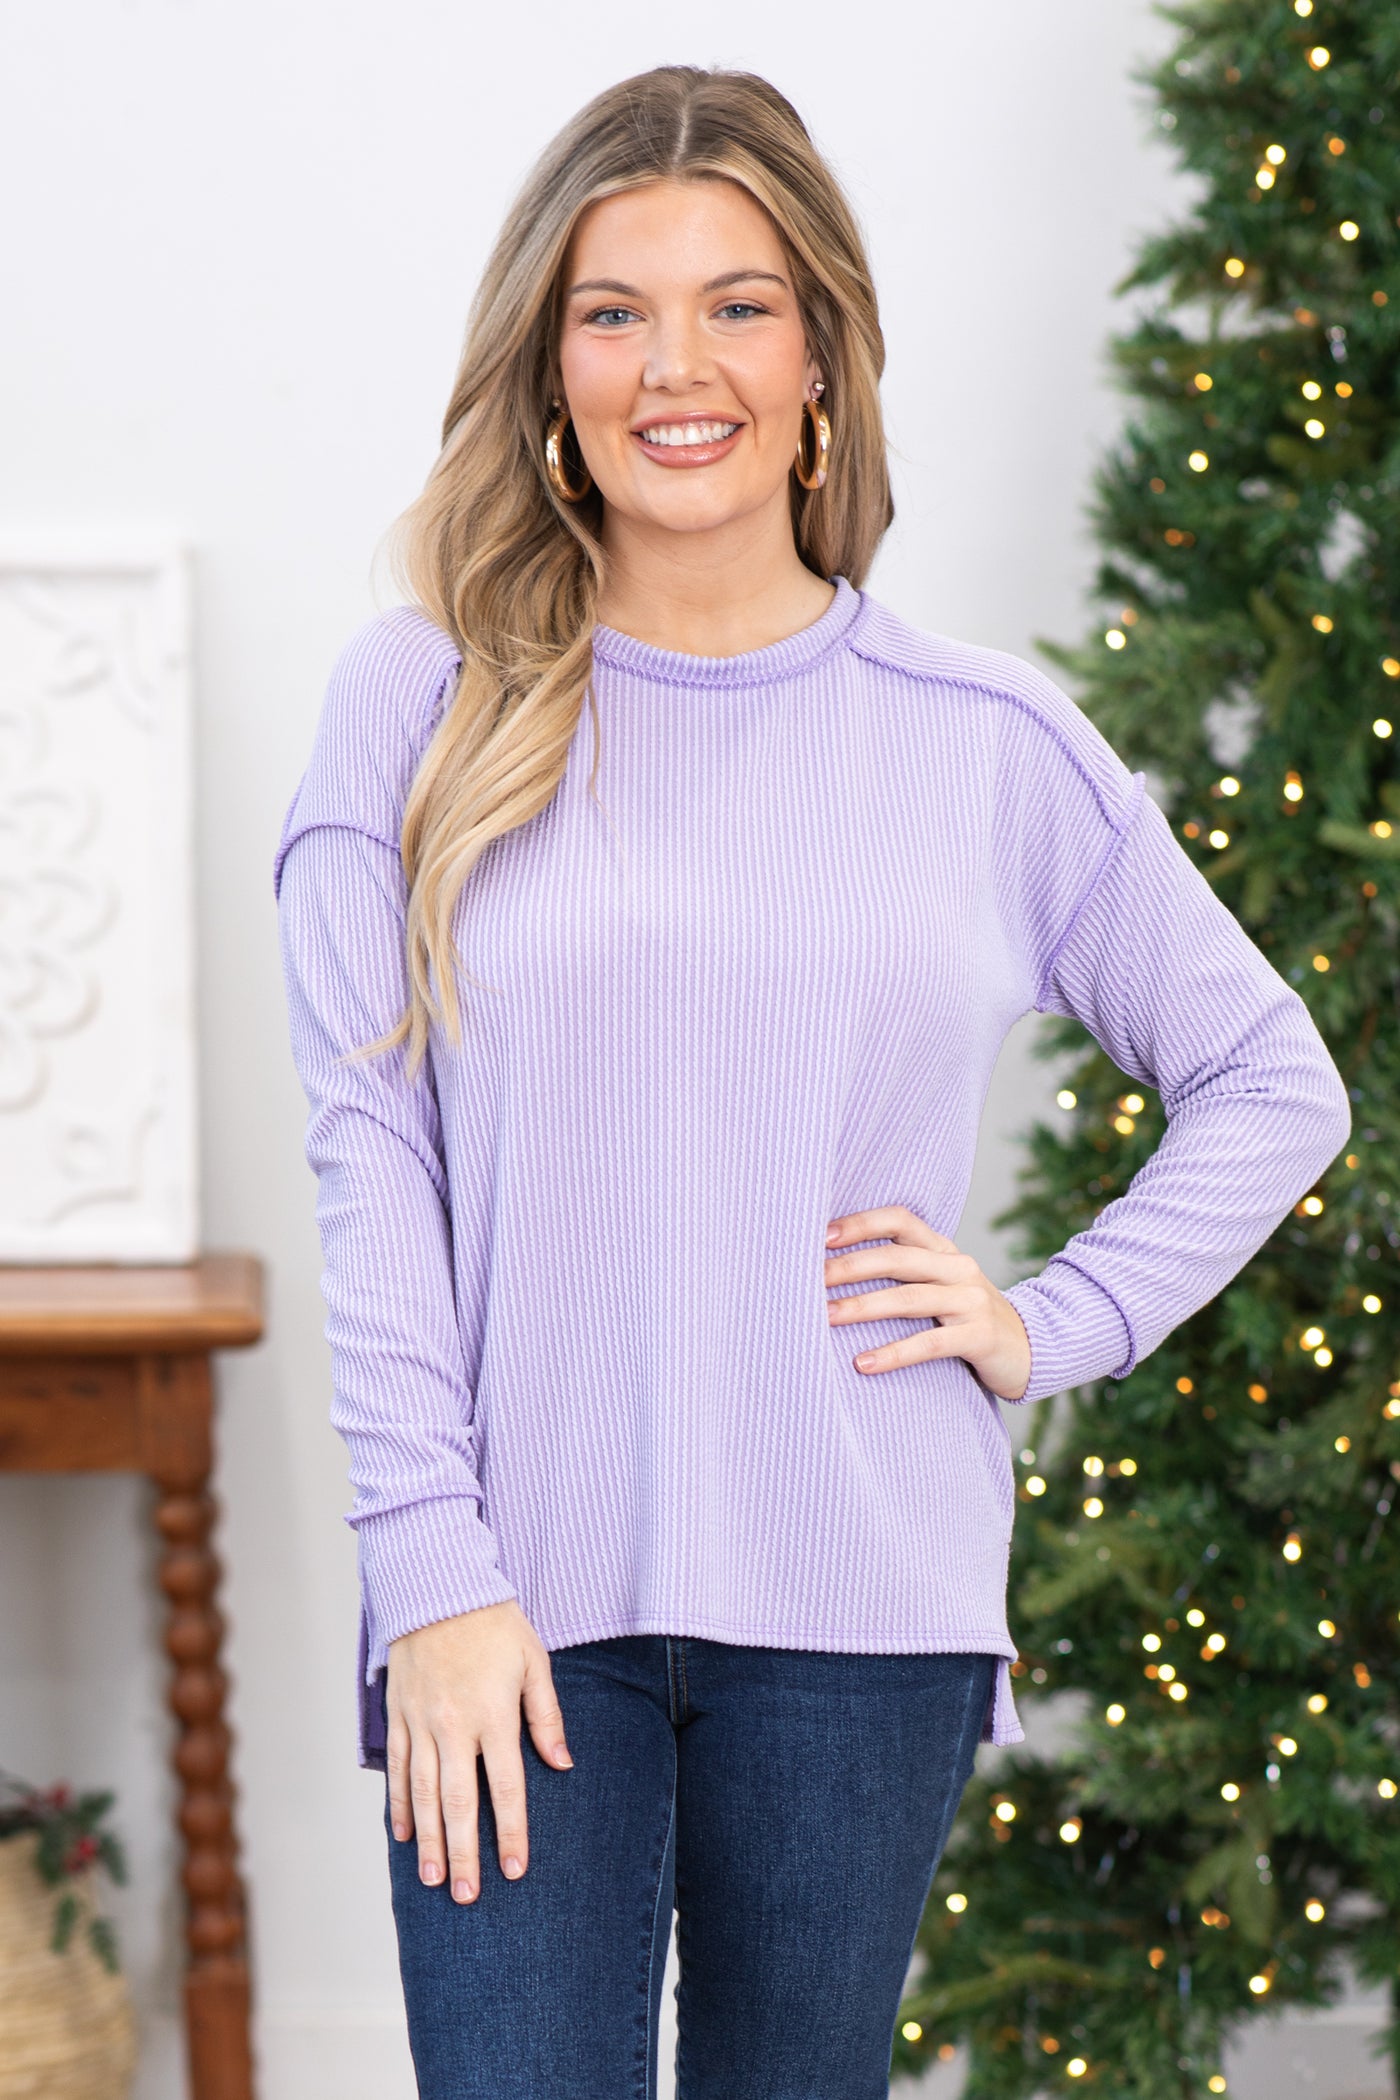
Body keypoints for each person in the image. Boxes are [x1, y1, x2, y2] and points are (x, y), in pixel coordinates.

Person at [273, 63, 1352, 2100]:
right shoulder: (414, 699)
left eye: (738, 306)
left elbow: (1269, 1076)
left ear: (822, 362)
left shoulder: (982, 741)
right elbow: (370, 1154)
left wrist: (1050, 1323)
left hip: (864, 1611)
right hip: (508, 1603)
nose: (675, 366)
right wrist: (431, 1572)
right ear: (549, 368)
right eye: (614, 311)